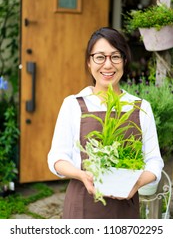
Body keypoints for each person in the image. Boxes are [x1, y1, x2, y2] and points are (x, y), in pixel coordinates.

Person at [47, 27, 164, 219]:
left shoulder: (141, 107)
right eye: (100, 57)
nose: (108, 65)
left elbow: (154, 160)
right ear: (89, 62)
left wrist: (137, 183)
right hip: (81, 207)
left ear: (124, 61)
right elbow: (57, 158)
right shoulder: (73, 104)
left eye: (115, 57)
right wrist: (81, 175)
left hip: (125, 209)